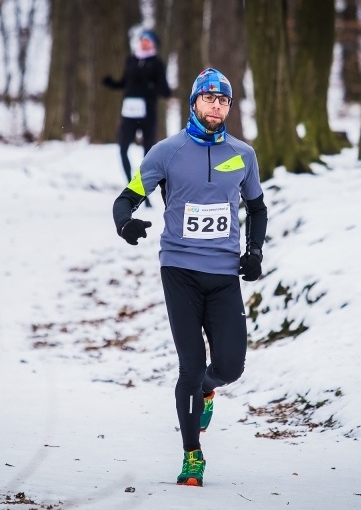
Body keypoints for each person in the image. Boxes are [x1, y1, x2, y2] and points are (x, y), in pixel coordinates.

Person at [111, 68, 268, 487]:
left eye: (224, 101)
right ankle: (192, 455)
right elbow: (127, 198)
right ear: (195, 102)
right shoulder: (167, 151)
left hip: (223, 274)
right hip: (179, 270)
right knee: (191, 366)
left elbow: (257, 208)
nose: (216, 107)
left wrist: (254, 251)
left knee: (230, 366)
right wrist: (126, 224)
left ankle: (208, 390)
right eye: (209, 99)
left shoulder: (243, 154)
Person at [102, 30, 171, 206]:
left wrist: (149, 88)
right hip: (129, 112)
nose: (144, 43)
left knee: (147, 154)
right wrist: (112, 83)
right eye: (142, 40)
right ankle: (132, 188)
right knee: (122, 148)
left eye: (148, 40)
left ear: (154, 44)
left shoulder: (157, 63)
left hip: (148, 113)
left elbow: (165, 90)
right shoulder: (131, 60)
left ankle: (145, 192)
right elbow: (126, 82)